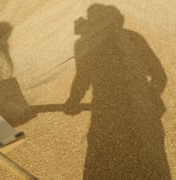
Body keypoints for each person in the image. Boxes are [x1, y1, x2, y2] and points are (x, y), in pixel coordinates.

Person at [64, 4, 171, 179]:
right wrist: (149, 98)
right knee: (149, 167)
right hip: (141, 119)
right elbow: (160, 76)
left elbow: (81, 80)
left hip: (108, 120)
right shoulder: (133, 38)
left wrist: (72, 102)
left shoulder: (86, 43)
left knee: (107, 169)